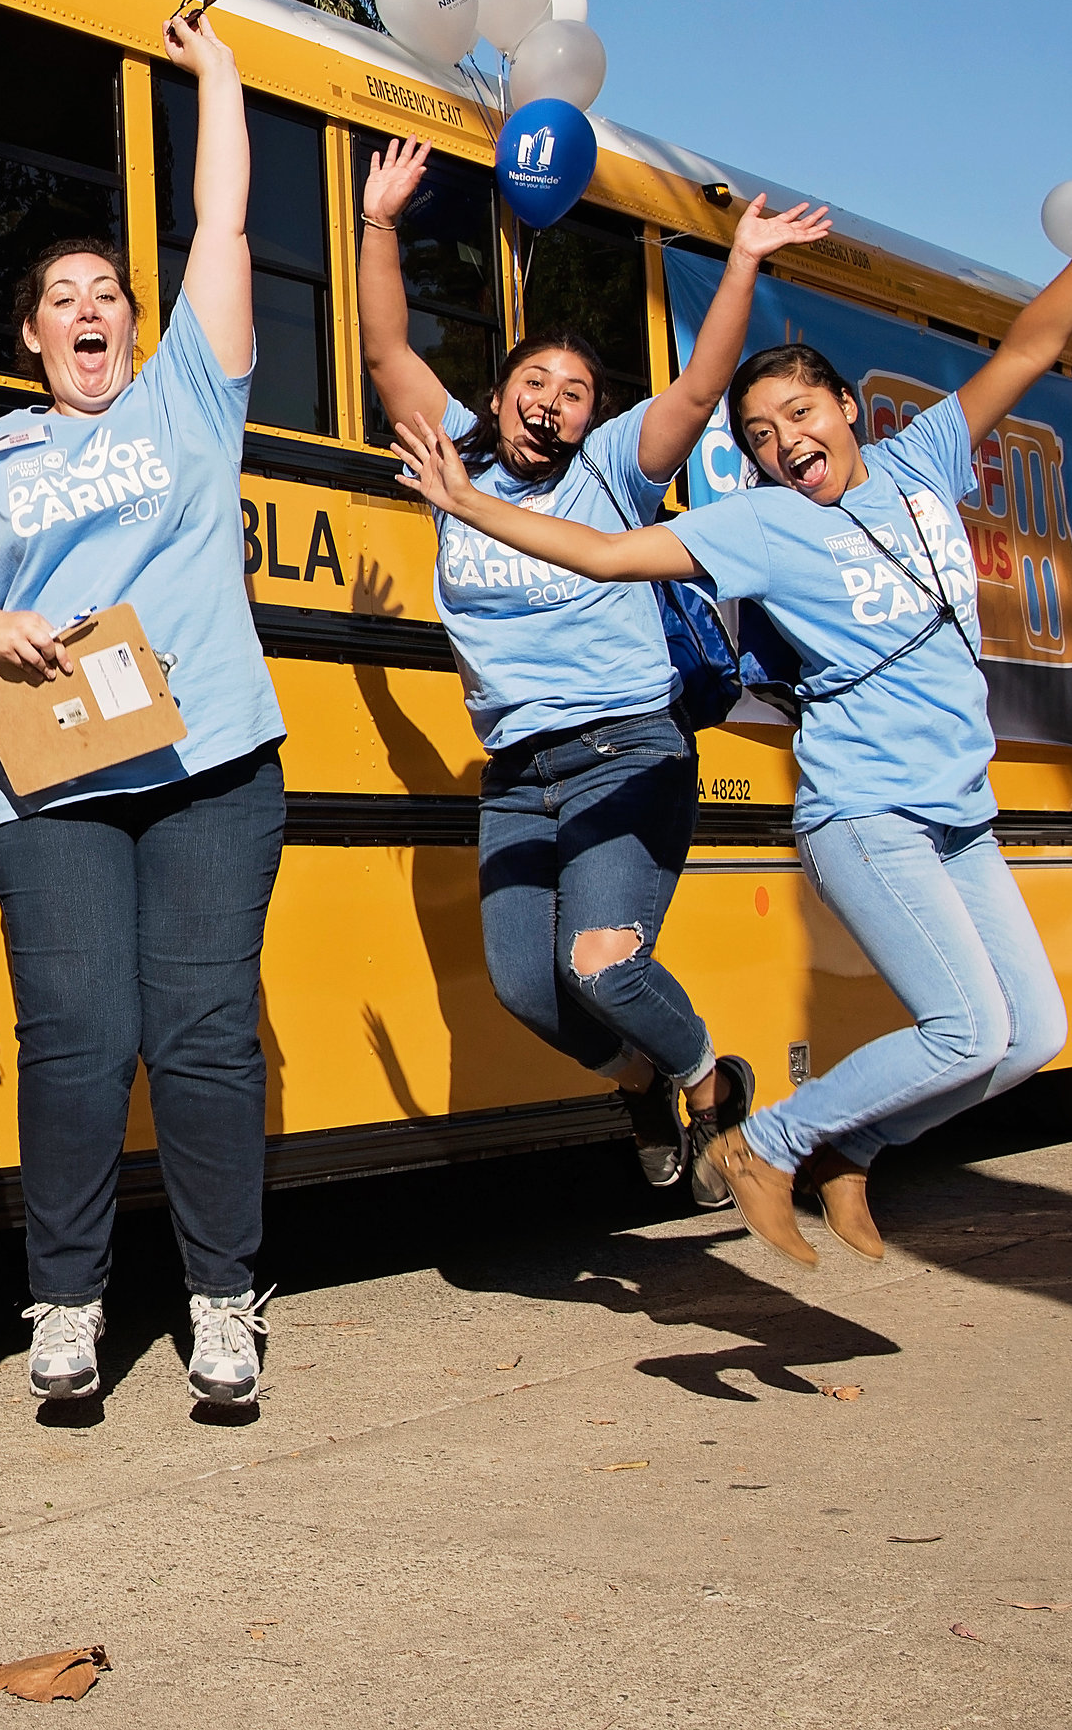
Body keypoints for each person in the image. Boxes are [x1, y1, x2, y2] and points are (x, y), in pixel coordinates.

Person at [389, 108, 1072, 1269]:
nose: (781, 441)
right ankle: (771, 1140)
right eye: (759, 435)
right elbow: (607, 556)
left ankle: (854, 1152)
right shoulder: (756, 527)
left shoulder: (924, 464)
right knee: (963, 1024)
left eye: (798, 415)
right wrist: (467, 506)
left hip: (961, 810)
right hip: (866, 806)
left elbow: (1031, 346)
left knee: (1029, 1038)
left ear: (848, 412)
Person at [0, 11, 286, 1409]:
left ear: (135, 321)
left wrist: (221, 87)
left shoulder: (190, 396)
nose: (91, 306)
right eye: (64, 294)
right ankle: (64, 1305)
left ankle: (223, 1301)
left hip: (207, 767)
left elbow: (226, 231)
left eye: (108, 291)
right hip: (54, 778)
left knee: (201, 1035)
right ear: (31, 335)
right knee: (77, 1037)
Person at [355, 140, 833, 1197]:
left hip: (627, 748)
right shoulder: (459, 457)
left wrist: (743, 260)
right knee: (530, 988)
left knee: (602, 960)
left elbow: (705, 387)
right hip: (518, 771)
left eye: (575, 392)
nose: (554, 402)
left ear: (590, 416)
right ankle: (637, 1082)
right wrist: (379, 222)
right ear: (501, 392)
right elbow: (386, 345)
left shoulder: (614, 472)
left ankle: (711, 1085)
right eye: (537, 381)